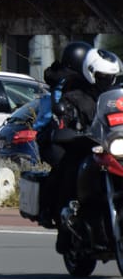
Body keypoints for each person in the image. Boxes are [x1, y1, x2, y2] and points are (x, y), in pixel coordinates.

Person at [47, 47, 121, 252]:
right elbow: (64, 117)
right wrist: (67, 123)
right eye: (104, 77)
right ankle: (65, 230)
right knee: (71, 172)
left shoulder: (116, 97)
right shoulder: (74, 96)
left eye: (112, 77)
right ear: (91, 74)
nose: (108, 81)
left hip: (111, 147)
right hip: (86, 147)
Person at [35, 41, 92, 225]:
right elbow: (61, 110)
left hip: (83, 135)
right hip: (55, 134)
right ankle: (49, 209)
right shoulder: (64, 82)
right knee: (64, 166)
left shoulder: (91, 83)